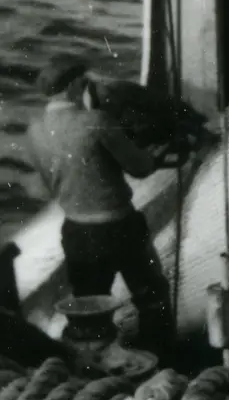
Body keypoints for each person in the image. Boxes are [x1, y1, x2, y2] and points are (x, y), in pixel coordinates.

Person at [25, 56, 176, 357]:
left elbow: (49, 183)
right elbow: (141, 168)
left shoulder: (35, 131)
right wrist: (155, 154)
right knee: (151, 296)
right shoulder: (96, 122)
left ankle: (96, 365)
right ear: (75, 86)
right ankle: (162, 357)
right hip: (119, 227)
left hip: (77, 232)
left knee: (89, 307)